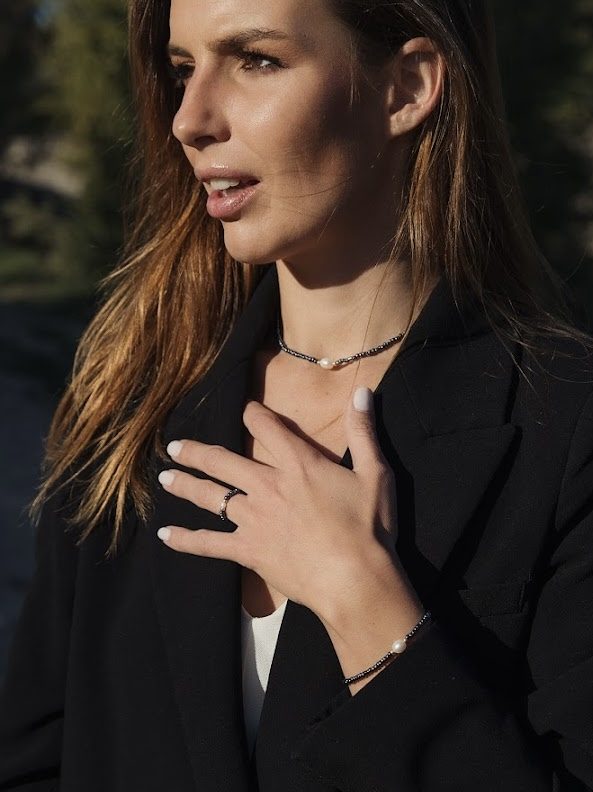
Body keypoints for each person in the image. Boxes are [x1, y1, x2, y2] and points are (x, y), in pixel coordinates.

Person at [1, 0, 592, 789]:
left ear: (407, 87)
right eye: (183, 69)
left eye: (256, 60)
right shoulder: (130, 404)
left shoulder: (566, 425)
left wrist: (365, 604)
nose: (190, 117)